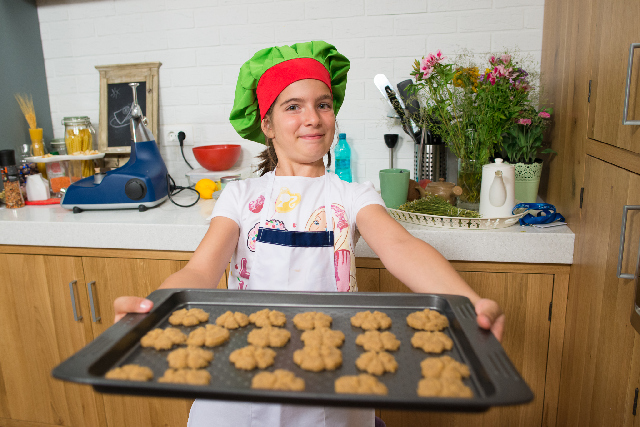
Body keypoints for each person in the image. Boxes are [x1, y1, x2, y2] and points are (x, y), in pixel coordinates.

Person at [114, 41, 505, 427]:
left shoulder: (353, 196)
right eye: (293, 106)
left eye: (323, 104)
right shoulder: (239, 195)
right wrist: (155, 309)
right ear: (266, 124)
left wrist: (467, 303)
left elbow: (401, 247)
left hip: (332, 376)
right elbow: (200, 272)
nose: (313, 118)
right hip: (241, 374)